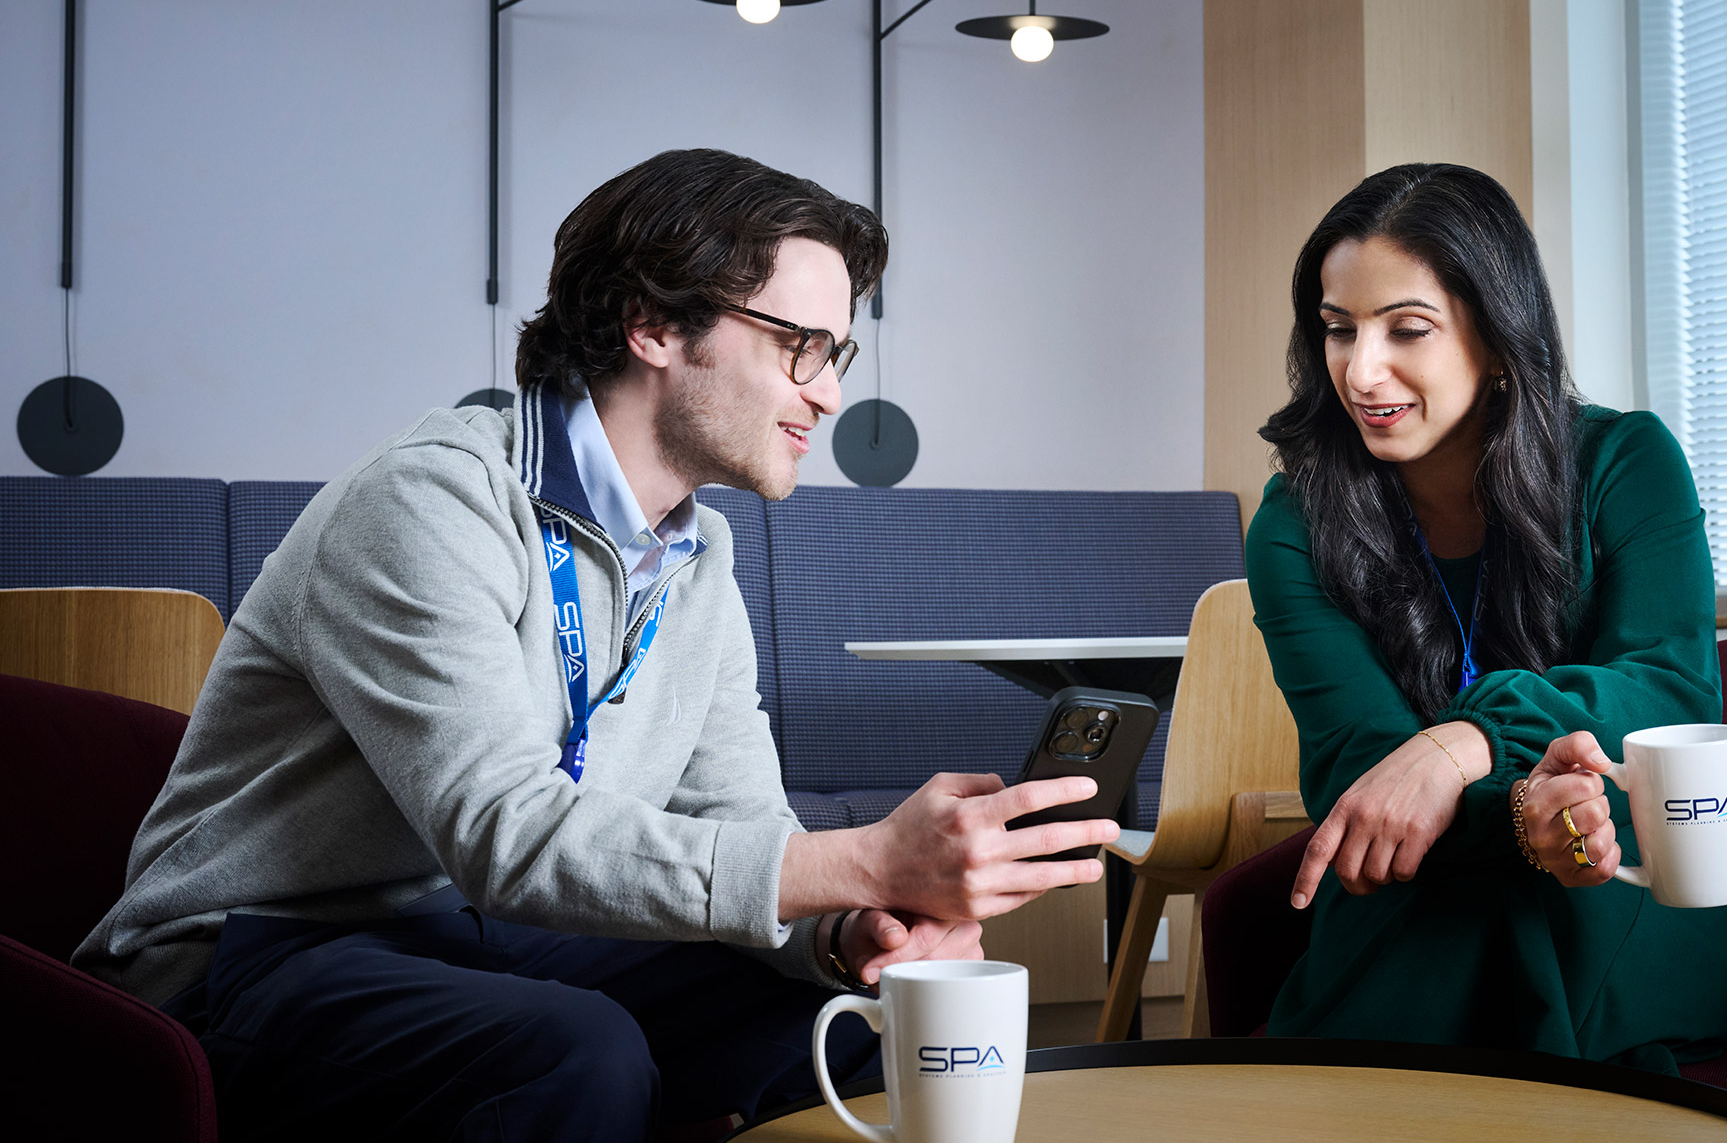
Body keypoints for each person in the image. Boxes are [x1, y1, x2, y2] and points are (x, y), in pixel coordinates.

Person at [75, 148, 1119, 1141]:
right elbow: (506, 834)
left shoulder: (697, 551)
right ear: (653, 324)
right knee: (573, 1050)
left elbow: (739, 825)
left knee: (850, 1021)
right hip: (252, 954)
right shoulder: (433, 499)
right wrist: (866, 856)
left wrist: (848, 928)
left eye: (835, 352)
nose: (829, 392)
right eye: (798, 345)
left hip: (484, 937)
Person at [1246, 162, 1727, 1071]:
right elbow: (1363, 770)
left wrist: (1468, 740)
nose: (1361, 370)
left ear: (1501, 338)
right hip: (1424, 883)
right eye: (1338, 329)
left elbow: (1670, 694)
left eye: (1408, 329)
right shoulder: (1295, 525)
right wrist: (1517, 808)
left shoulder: (1629, 462)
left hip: (1614, 873)